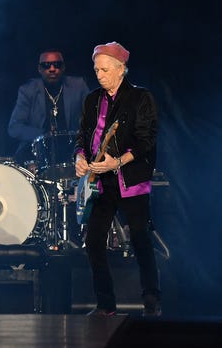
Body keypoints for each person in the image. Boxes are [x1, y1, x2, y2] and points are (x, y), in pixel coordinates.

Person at [74, 41, 161, 317]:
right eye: (96, 70)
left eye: (104, 70)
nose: (99, 75)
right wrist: (79, 157)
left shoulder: (140, 98)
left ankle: (151, 296)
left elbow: (146, 140)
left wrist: (118, 161)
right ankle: (105, 304)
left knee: (139, 237)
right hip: (102, 181)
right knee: (94, 240)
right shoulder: (92, 100)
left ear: (121, 69)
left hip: (131, 178)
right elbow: (82, 136)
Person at [8, 50, 90, 165]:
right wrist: (43, 136)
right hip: (36, 154)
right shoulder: (28, 90)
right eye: (46, 65)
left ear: (63, 68)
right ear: (39, 69)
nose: (52, 69)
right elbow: (14, 127)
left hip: (72, 152)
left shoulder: (78, 86)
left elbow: (92, 118)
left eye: (57, 65)